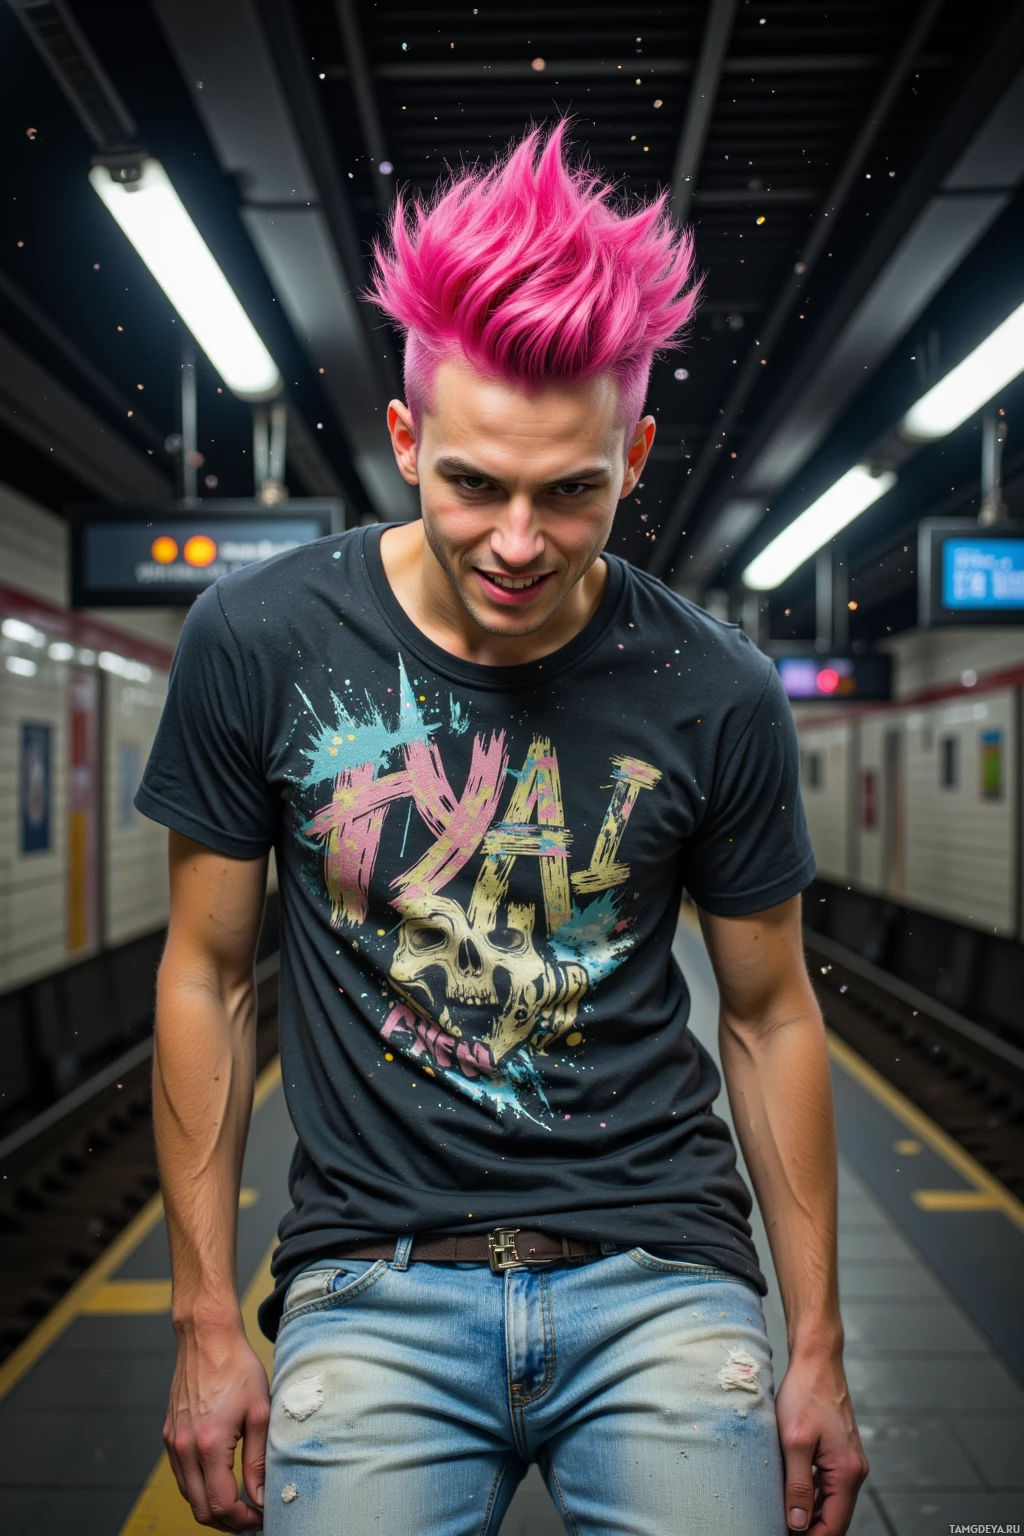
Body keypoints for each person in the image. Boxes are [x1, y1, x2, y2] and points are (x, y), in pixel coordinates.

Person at [138, 123, 867, 1536]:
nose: (519, 542)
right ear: (405, 438)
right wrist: (206, 1315)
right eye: (474, 483)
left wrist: (820, 1348)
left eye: (571, 491)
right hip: (372, 1281)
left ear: (634, 457)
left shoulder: (715, 689)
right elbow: (208, 976)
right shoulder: (262, 641)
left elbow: (772, 1012)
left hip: (663, 1273)